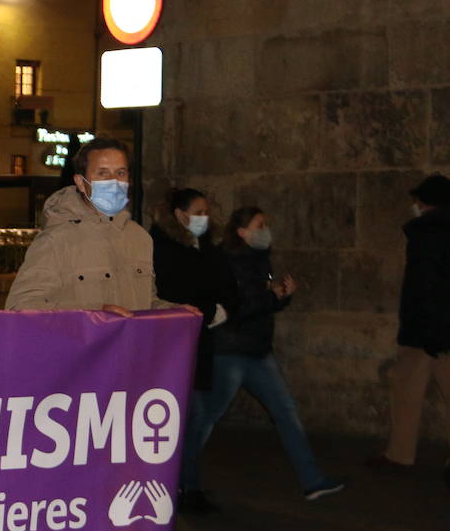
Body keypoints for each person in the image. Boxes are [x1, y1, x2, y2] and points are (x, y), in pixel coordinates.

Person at [5, 136, 195, 531]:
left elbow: (142, 302)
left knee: (118, 507)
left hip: (130, 395)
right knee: (91, 506)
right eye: (104, 174)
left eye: (123, 173)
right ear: (82, 182)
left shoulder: (139, 238)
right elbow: (23, 309)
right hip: (77, 397)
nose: (116, 182)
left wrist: (173, 311)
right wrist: (91, 321)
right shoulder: (57, 241)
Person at [186, 207, 344, 501]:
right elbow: (239, 307)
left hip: (256, 350)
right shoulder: (229, 260)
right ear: (242, 232)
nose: (265, 229)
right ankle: (183, 479)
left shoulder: (258, 259)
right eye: (260, 225)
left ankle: (313, 480)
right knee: (206, 417)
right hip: (230, 351)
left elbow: (260, 302)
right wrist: (272, 296)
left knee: (285, 411)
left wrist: (279, 296)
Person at [150, 188, 240, 513]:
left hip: (200, 345)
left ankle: (187, 483)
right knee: (188, 418)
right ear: (180, 215)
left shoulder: (205, 248)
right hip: (172, 348)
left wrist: (222, 308)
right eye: (199, 211)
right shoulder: (164, 249)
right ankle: (183, 486)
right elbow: (172, 294)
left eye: (206, 211)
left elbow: (226, 286)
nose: (205, 217)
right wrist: (208, 309)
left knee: (196, 417)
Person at [368, 174, 450, 487]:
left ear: (427, 203)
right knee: (413, 386)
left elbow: (426, 286)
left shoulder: (427, 233)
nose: (414, 206)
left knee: (405, 389)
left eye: (418, 200)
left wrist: (431, 330)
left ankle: (400, 454)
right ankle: (399, 453)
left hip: (426, 331)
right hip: (439, 329)